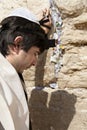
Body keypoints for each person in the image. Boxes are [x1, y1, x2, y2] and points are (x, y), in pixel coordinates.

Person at [0, 7, 56, 130]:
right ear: (17, 44)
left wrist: (44, 30)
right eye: (35, 53)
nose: (35, 62)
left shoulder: (11, 69)